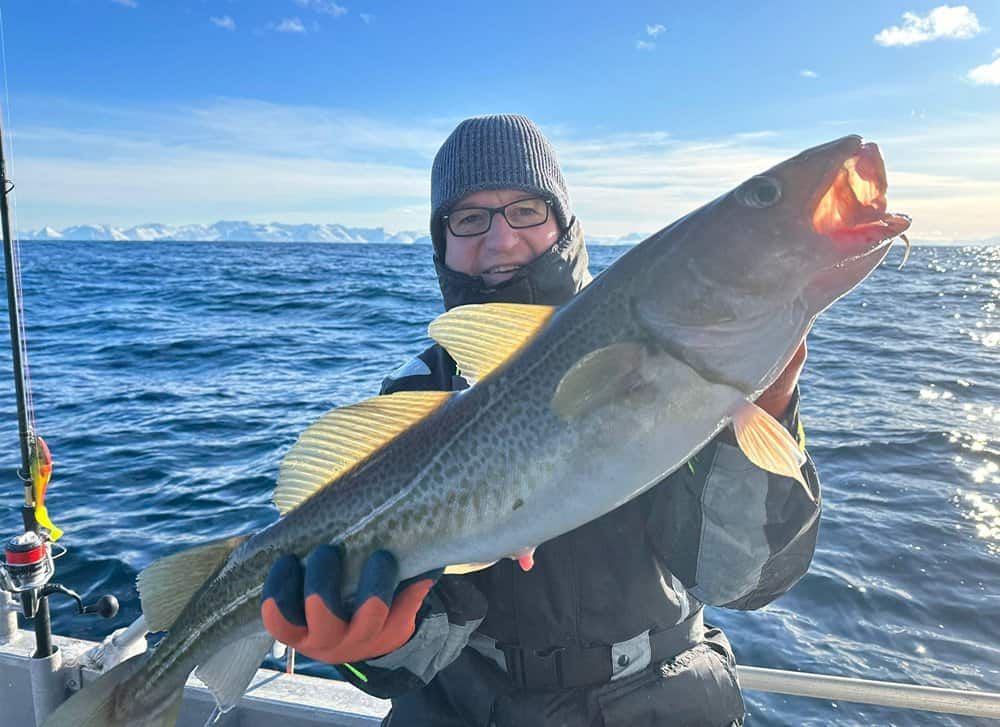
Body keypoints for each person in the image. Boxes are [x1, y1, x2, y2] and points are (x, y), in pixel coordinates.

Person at [261, 114, 821, 726]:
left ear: (563, 224)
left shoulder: (668, 352)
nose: (501, 242)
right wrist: (369, 647)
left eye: (526, 210)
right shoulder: (419, 396)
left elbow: (744, 583)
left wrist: (765, 407)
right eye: (469, 219)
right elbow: (408, 658)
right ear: (440, 243)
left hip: (667, 703)